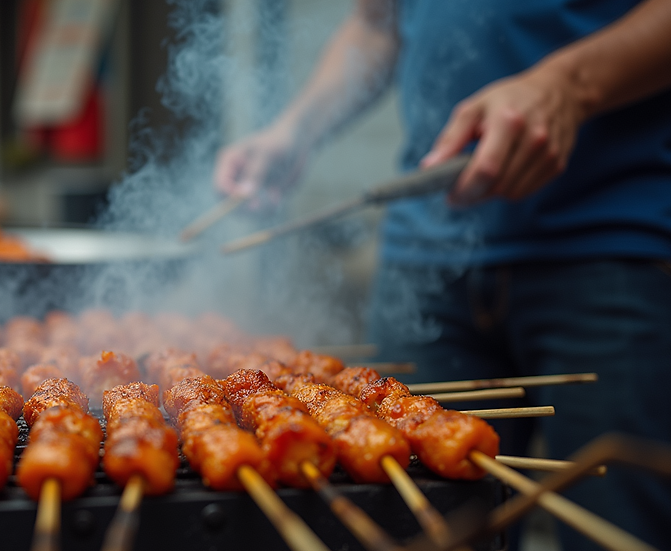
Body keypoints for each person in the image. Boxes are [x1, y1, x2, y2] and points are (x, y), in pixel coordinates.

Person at [213, 2, 671, 550]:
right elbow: (377, 23)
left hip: (610, 241)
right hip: (423, 258)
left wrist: (565, 85)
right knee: (413, 530)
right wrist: (296, 128)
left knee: (617, 527)